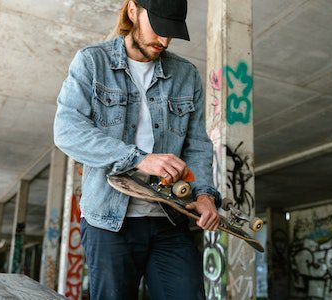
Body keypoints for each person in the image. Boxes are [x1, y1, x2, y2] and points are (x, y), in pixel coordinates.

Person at [54, 0, 222, 299]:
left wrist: (206, 195)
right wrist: (139, 159)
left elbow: (197, 144)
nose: (164, 40)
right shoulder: (92, 62)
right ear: (133, 11)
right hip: (109, 221)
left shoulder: (186, 75)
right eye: (158, 28)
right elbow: (67, 132)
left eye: (171, 32)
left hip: (170, 219)